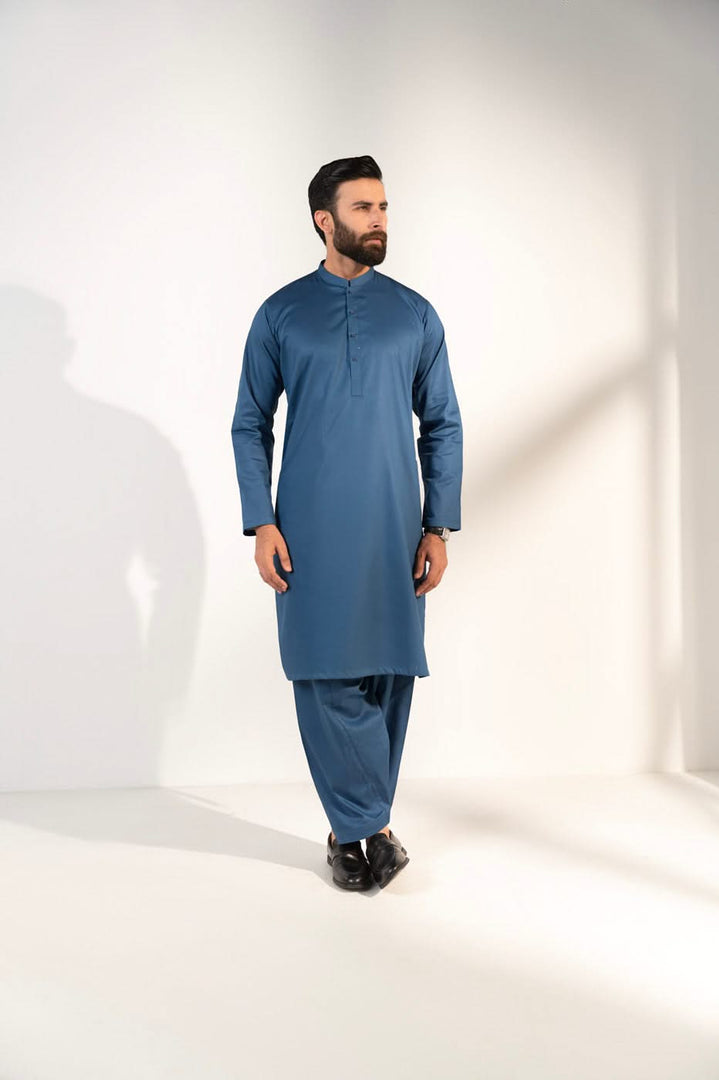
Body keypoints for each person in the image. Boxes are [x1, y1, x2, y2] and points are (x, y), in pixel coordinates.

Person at [231, 155, 462, 890]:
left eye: (384, 207)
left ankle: (352, 830)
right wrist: (261, 522)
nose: (379, 220)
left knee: (390, 673)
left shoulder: (415, 314)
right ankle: (371, 826)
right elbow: (249, 423)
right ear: (323, 220)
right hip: (308, 526)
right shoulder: (281, 313)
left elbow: (443, 424)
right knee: (323, 673)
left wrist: (438, 525)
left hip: (395, 524)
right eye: (363, 208)